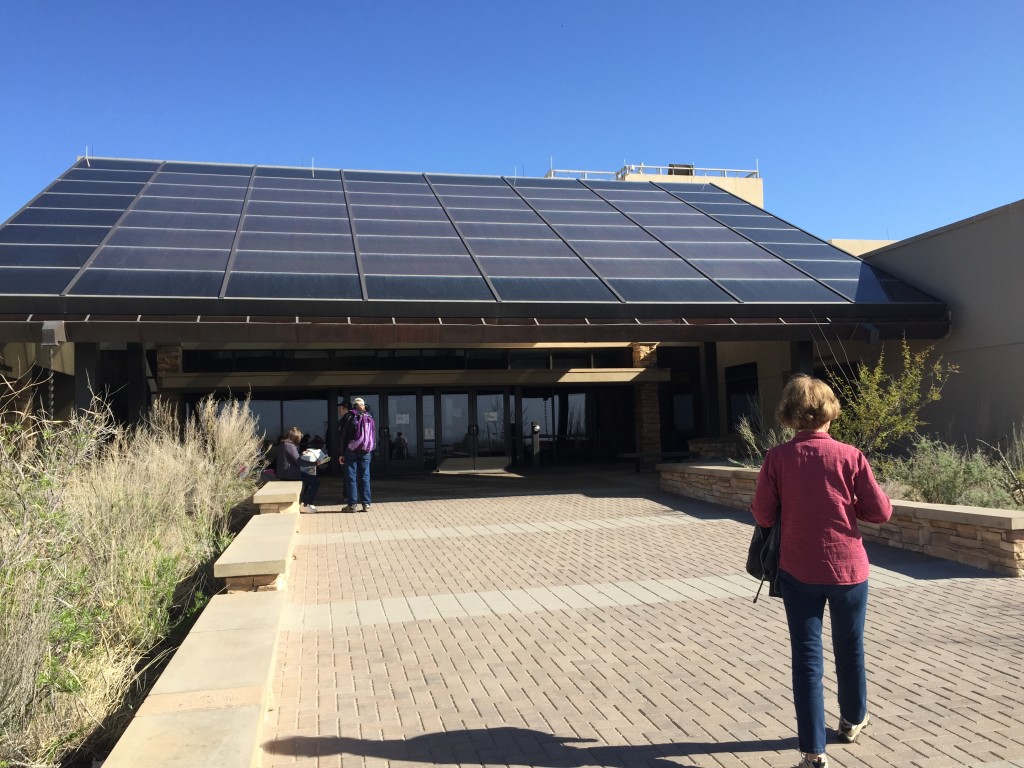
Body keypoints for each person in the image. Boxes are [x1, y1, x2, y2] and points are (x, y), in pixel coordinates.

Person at [750, 374, 892, 768]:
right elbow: (880, 511)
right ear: (828, 412)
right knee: (851, 648)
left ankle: (813, 751)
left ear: (791, 415)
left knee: (807, 658)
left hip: (798, 568)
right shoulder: (850, 456)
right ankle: (852, 718)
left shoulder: (777, 458)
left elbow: (762, 512)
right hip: (848, 569)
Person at [341, 397, 374, 513]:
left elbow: (343, 436)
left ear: (353, 406)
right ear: (363, 406)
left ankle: (352, 505)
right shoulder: (369, 416)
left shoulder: (349, 416)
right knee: (365, 477)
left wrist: (341, 453)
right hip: (366, 450)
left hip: (351, 451)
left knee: (351, 478)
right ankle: (366, 504)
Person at [276, 426, 319, 513]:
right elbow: (299, 462)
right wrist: (315, 463)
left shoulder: (282, 444)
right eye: (299, 438)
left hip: (284, 473)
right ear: (295, 437)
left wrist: (301, 454)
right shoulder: (290, 445)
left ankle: (305, 503)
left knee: (309, 480)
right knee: (315, 482)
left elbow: (293, 458)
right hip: (290, 475)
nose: (300, 440)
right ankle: (306, 504)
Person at [299, 435, 329, 514]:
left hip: (304, 470)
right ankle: (306, 503)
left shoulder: (305, 449)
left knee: (309, 484)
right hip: (304, 470)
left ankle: (307, 502)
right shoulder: (315, 451)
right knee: (314, 483)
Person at [337, 401, 355, 508]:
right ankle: (352, 496)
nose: (339, 410)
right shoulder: (353, 418)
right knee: (354, 475)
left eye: (340, 408)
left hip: (348, 451)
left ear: (345, 408)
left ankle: (349, 497)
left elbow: (343, 437)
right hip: (354, 450)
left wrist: (341, 453)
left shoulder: (346, 420)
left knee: (349, 475)